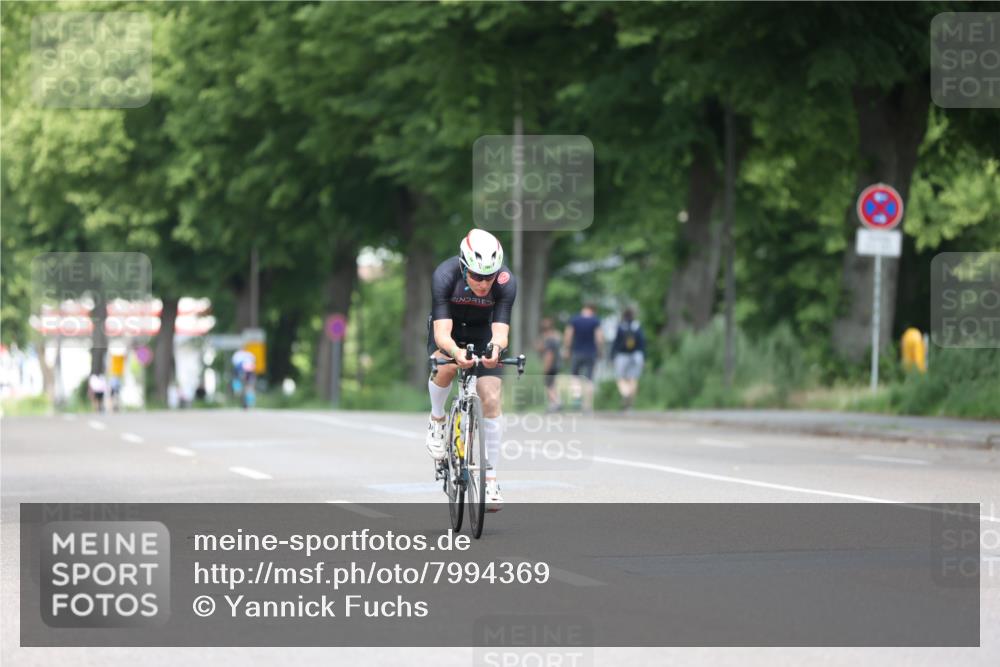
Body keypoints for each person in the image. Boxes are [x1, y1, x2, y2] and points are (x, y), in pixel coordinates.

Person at [425, 228, 516, 512]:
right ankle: (438, 420)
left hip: (483, 334)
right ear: (464, 267)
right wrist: (454, 353)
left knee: (490, 395)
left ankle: (489, 478)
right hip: (449, 331)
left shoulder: (505, 281)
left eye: (488, 276)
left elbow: (501, 332)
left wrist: (496, 349)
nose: (483, 283)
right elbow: (441, 333)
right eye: (476, 276)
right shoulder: (444, 275)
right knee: (446, 367)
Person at [563, 303, 603, 412]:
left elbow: (568, 335)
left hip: (577, 352)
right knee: (589, 378)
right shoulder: (595, 321)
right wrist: (600, 351)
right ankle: (588, 405)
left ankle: (577, 398)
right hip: (591, 352)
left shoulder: (575, 320)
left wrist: (567, 349)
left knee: (575, 376)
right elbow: (599, 338)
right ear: (592, 310)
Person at [611, 307, 646, 411]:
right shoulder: (637, 326)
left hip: (622, 355)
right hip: (636, 355)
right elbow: (642, 343)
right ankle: (630, 404)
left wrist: (612, 356)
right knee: (633, 379)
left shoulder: (621, 326)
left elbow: (616, 343)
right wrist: (643, 356)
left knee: (620, 378)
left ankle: (625, 393)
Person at [536, 317, 562, 412]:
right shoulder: (555, 336)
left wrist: (546, 368)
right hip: (557, 364)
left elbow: (549, 354)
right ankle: (555, 403)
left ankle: (556, 403)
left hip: (551, 365)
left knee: (548, 385)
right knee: (553, 384)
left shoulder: (549, 339)